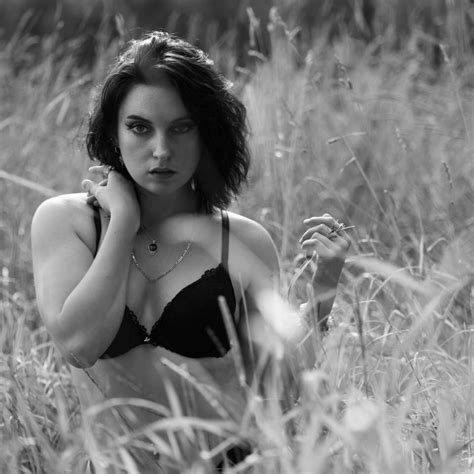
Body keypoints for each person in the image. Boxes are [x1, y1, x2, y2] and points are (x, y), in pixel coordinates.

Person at [31, 31, 350, 472]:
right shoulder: (68, 223)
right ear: (113, 132)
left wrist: (322, 294)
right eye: (140, 127)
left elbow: (278, 393)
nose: (161, 150)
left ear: (206, 136)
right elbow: (80, 346)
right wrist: (123, 222)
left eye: (181, 128)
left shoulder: (241, 241)